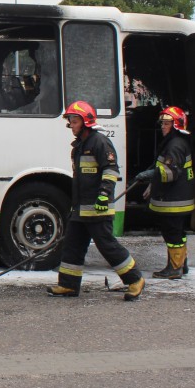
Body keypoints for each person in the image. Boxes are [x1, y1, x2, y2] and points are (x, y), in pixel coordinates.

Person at [47, 101, 145, 301]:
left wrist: (104, 194)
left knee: (107, 246)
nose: (71, 125)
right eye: (71, 121)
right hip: (81, 209)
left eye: (74, 121)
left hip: (98, 208)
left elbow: (110, 170)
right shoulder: (80, 145)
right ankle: (68, 285)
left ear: (85, 121)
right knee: (72, 246)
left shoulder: (99, 142)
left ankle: (135, 279)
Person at [133, 106, 194, 279]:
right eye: (162, 123)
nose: (162, 126)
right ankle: (181, 264)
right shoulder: (176, 141)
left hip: (174, 200)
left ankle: (174, 269)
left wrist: (151, 175)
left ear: (175, 125)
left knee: (172, 233)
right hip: (179, 197)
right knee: (178, 234)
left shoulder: (175, 145)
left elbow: (171, 173)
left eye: (166, 123)